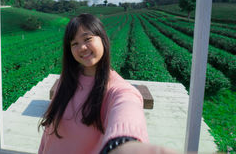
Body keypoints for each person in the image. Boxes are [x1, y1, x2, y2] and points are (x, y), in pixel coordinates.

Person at [38, 13, 177, 154]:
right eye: (75, 43)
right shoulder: (66, 80)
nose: (82, 48)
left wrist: (122, 143)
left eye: (87, 39)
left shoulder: (118, 89)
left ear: (103, 39)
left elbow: (127, 108)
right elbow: (49, 133)